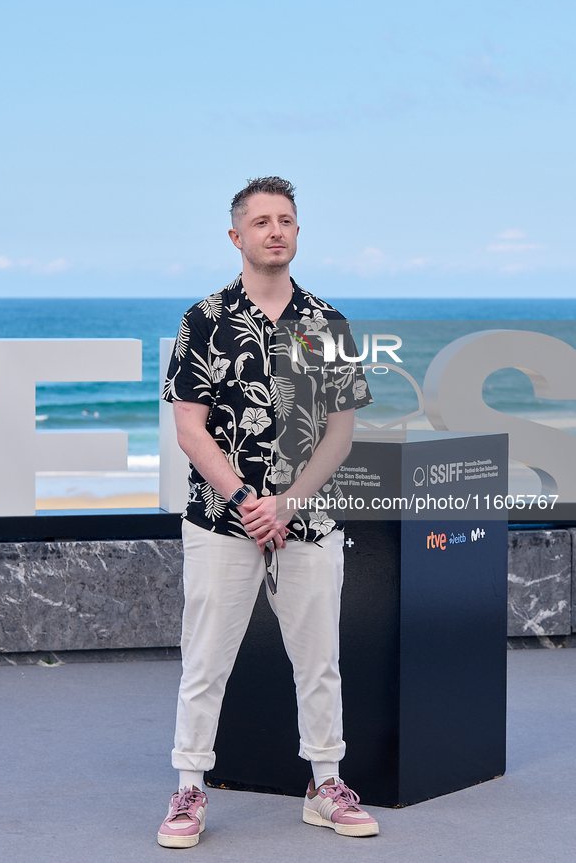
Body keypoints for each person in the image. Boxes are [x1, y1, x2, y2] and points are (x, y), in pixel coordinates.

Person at [158, 176, 378, 847]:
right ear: (236, 236)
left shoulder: (327, 323)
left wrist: (288, 502)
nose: (274, 230)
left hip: (308, 521)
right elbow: (189, 428)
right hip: (221, 521)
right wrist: (250, 502)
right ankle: (189, 789)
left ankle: (325, 783)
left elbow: (339, 433)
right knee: (205, 661)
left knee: (318, 660)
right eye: (260, 221)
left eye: (285, 219)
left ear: (297, 231)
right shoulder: (203, 318)